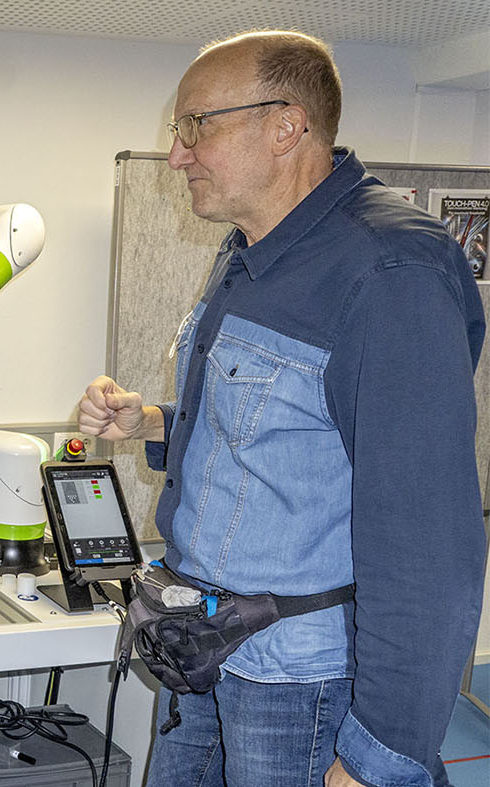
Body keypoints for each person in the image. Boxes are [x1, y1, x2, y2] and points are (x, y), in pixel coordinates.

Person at [79, 31, 484, 787]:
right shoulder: (248, 251)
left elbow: (429, 546)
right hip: (209, 645)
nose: (177, 154)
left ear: (285, 126)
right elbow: (282, 424)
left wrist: (377, 758)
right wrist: (157, 420)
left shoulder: (391, 271)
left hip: (301, 683)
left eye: (197, 124)